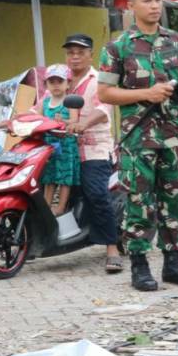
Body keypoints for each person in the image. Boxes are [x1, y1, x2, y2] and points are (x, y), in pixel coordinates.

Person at [98, 0, 178, 292]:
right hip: (138, 140)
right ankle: (140, 268)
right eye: (147, 0)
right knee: (139, 204)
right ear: (130, 6)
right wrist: (148, 93)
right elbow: (105, 93)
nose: (155, 6)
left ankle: (173, 264)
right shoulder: (118, 47)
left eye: (158, 0)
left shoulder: (177, 41)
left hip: (175, 137)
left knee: (175, 200)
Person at [62, 34, 120, 273]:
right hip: (64, 148)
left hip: (94, 147)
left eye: (80, 52)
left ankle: (112, 248)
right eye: (70, 52)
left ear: (90, 55)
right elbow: (43, 103)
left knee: (96, 194)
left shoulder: (97, 80)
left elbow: (102, 108)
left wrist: (83, 123)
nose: (74, 56)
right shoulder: (60, 80)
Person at [37, 64, 79, 216]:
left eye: (59, 81)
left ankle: (60, 208)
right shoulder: (44, 102)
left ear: (68, 83)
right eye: (51, 82)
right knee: (49, 177)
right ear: (46, 85)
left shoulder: (70, 101)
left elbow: (74, 121)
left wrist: (64, 121)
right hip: (48, 145)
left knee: (64, 178)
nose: (55, 85)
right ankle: (46, 207)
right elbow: (37, 118)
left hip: (66, 145)